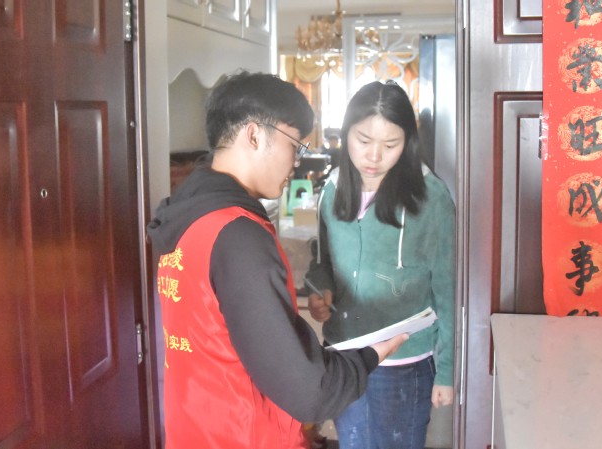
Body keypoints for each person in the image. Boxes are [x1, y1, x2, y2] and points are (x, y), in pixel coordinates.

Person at [147, 71, 407, 449]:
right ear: (254, 135)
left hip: (193, 431)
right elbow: (310, 392)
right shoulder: (238, 236)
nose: (297, 162)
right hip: (244, 437)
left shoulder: (188, 215)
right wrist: (368, 357)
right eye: (295, 145)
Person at [305, 80, 456, 449]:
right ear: (346, 134)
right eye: (363, 141)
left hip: (404, 361)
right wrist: (321, 291)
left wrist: (447, 371)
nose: (374, 156)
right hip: (344, 354)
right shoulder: (333, 188)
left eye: (390, 145)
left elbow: (448, 288)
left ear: (408, 143)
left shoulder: (430, 197)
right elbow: (322, 261)